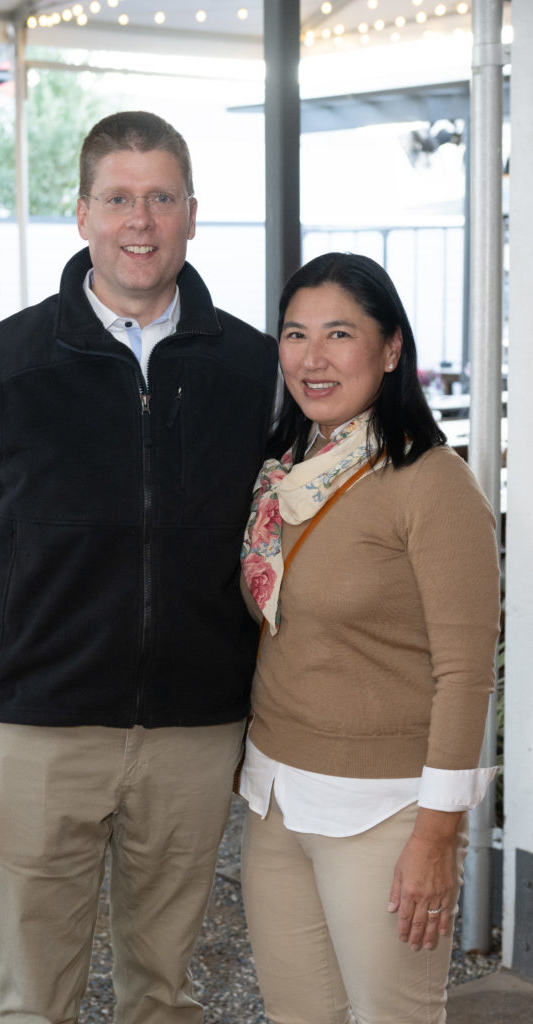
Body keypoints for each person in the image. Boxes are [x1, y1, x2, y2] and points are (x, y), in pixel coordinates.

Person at [0, 110, 277, 1024]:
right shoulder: (6, 363)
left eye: (159, 198)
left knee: (164, 993)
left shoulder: (253, 368)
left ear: (190, 214)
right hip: (38, 731)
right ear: (82, 215)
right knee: (33, 999)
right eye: (118, 199)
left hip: (192, 727)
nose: (139, 220)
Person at [239, 252, 501, 1024]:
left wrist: (437, 835)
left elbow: (466, 674)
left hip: (384, 814)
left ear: (389, 350)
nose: (311, 358)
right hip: (273, 796)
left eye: (338, 334)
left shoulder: (430, 482)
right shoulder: (286, 472)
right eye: (294, 334)